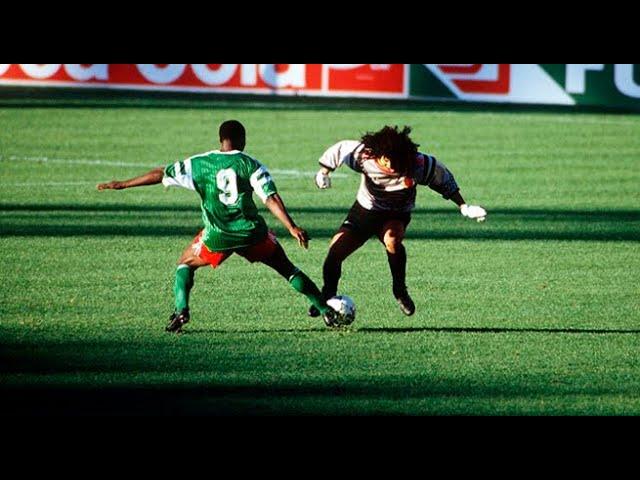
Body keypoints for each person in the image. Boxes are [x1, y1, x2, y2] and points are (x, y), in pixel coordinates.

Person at [97, 119, 337, 332]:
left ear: (221, 140)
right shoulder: (251, 165)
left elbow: (160, 173)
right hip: (252, 234)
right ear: (242, 140)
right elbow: (270, 198)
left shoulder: (199, 164)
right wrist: (291, 227)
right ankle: (325, 311)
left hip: (217, 236)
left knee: (185, 264)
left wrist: (123, 184)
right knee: (287, 268)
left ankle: (182, 310)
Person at [309, 125, 487, 317]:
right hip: (365, 212)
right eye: (387, 160)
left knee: (392, 239)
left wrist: (463, 206)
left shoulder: (417, 164)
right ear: (378, 155)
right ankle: (328, 294)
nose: (392, 165)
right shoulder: (364, 157)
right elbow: (342, 148)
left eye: (397, 161)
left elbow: (443, 179)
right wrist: (324, 172)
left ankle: (400, 290)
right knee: (334, 252)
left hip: (396, 214)